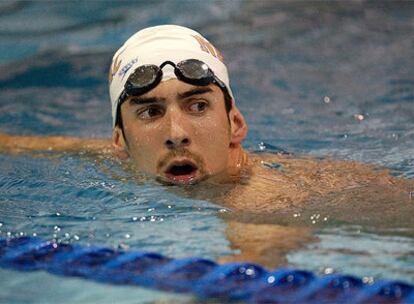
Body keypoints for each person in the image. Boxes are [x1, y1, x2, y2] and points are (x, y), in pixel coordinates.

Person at [0, 25, 413, 267]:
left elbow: (252, 272)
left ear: (235, 124)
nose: (176, 132)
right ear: (119, 142)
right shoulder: (128, 160)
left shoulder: (257, 199)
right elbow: (55, 146)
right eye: (149, 112)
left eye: (197, 105)